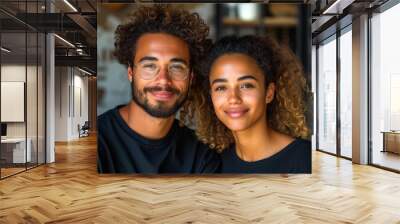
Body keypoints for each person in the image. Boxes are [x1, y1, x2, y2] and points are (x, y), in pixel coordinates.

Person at [97, 5, 220, 173]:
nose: (163, 80)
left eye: (176, 67)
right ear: (131, 72)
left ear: (191, 78)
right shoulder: (96, 143)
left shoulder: (202, 156)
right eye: (149, 66)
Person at [195, 35, 311, 173]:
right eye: (221, 88)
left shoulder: (307, 160)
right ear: (211, 96)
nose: (233, 98)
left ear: (269, 93)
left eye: (246, 85)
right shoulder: (212, 165)